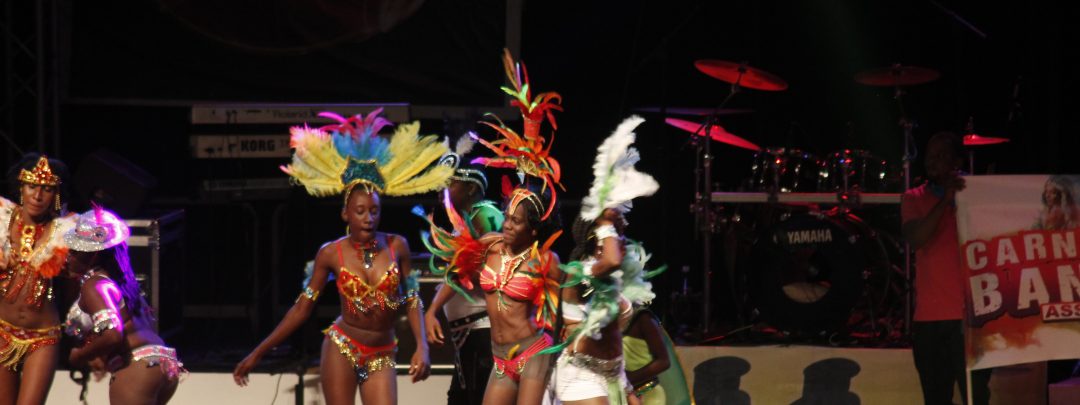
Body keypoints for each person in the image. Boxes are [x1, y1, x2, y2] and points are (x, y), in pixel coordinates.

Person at [232, 109, 453, 405]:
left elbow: (412, 299)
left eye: (374, 211)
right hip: (342, 347)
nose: (368, 218)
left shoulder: (397, 246)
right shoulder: (330, 253)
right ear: (345, 214)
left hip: (382, 351)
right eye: (360, 211)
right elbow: (301, 310)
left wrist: (422, 346)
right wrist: (257, 353)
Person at [548, 116, 660, 405]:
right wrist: (605, 221)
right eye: (616, 235)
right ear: (597, 239)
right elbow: (610, 260)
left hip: (614, 375)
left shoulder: (615, 278)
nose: (623, 239)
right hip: (580, 376)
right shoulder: (580, 273)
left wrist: (627, 386)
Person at [901, 131, 991, 405]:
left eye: (941, 156)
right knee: (936, 398)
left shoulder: (979, 197)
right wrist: (945, 201)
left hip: (972, 319)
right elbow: (916, 238)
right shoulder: (914, 197)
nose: (932, 162)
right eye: (930, 156)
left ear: (956, 161)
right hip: (929, 321)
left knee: (976, 398)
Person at [63, 205, 183, 404]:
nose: (68, 257)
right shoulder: (124, 282)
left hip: (138, 366)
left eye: (75, 251)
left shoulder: (95, 285)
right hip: (163, 362)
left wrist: (80, 355)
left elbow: (112, 334)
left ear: (93, 254)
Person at [424, 144, 503, 405]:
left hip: (483, 332)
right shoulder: (466, 223)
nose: (441, 189)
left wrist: (432, 310)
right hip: (470, 334)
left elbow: (466, 268)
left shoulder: (485, 214)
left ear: (470, 188)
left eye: (449, 182)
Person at [0, 153, 76, 404]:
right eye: (32, 186)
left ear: (56, 194)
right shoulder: (2, 218)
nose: (38, 195)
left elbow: (75, 287)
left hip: (43, 336)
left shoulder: (65, 231)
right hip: (2, 330)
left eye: (47, 189)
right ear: (21, 187)